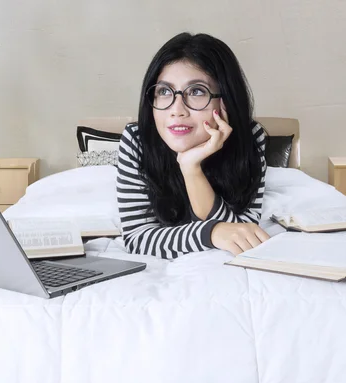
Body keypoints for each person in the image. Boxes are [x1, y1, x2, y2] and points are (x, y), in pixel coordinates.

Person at [116, 32, 270, 260]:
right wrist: (210, 233)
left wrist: (191, 168)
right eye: (164, 91)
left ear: (225, 100)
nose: (177, 110)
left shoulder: (251, 138)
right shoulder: (137, 140)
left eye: (197, 91)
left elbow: (241, 233)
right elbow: (138, 238)